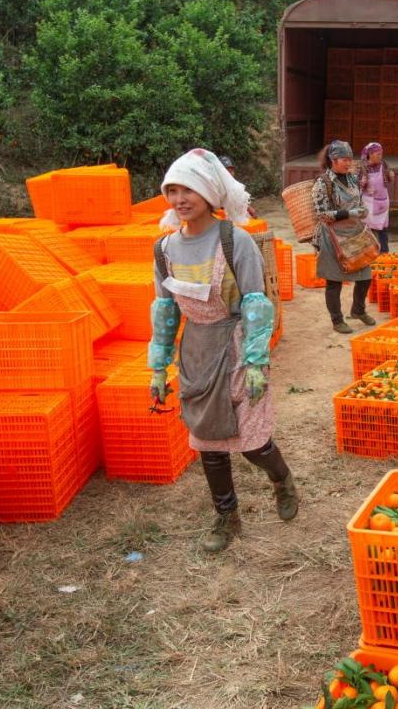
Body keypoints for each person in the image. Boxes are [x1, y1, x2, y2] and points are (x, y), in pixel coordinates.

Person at [148, 148, 297, 554]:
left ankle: (281, 479)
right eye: (172, 190)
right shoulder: (164, 249)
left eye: (189, 189)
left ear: (210, 193)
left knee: (252, 442)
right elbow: (165, 311)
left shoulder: (235, 241)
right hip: (196, 351)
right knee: (208, 443)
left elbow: (256, 302)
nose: (180, 199)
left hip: (236, 348)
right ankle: (226, 516)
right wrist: (158, 368)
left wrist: (256, 360)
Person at [311, 141, 375, 334]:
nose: (348, 163)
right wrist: (349, 213)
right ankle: (337, 320)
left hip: (354, 233)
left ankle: (358, 310)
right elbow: (322, 214)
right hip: (332, 236)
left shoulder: (353, 179)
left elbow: (358, 200)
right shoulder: (323, 183)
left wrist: (362, 210)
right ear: (333, 160)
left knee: (365, 276)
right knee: (334, 280)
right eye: (344, 159)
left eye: (350, 159)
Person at [357, 142, 394, 254]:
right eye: (378, 154)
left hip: (383, 201)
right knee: (368, 228)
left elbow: (389, 178)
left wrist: (391, 176)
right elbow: (356, 184)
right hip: (368, 202)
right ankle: (368, 253)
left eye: (381, 154)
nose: (380, 156)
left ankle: (384, 252)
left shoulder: (384, 164)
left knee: (383, 228)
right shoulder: (362, 167)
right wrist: (362, 183)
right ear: (370, 154)